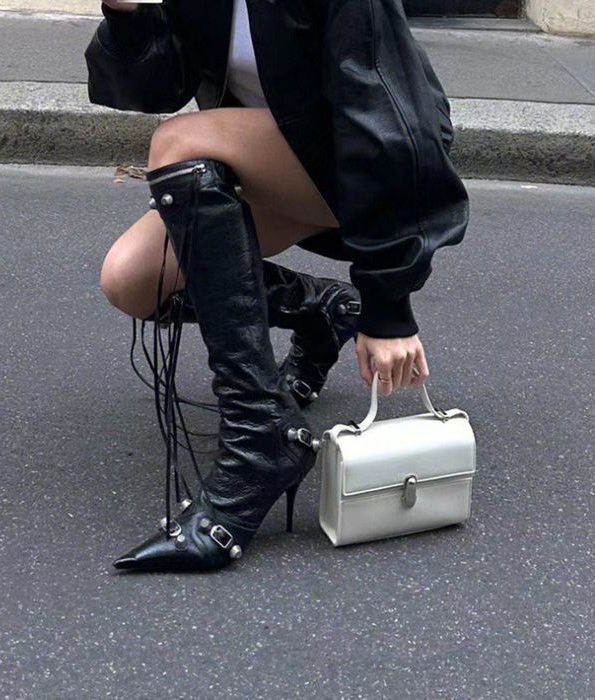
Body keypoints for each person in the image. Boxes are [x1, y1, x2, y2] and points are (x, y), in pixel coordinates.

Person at [85, 0, 470, 572]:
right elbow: (154, 88)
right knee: (134, 280)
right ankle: (321, 311)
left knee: (178, 141)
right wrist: (127, 14)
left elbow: (386, 115)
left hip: (374, 163)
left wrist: (388, 308)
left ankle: (260, 437)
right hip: (270, 160)